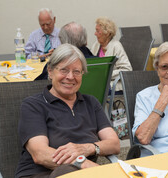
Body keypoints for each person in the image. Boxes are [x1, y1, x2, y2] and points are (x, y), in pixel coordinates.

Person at [15, 44, 120, 178]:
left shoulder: (90, 103)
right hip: (40, 174)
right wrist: (85, 165)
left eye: (77, 71)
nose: (70, 77)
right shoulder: (33, 105)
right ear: (50, 71)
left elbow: (114, 144)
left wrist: (88, 148)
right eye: (64, 70)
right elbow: (40, 154)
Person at [91, 17, 132, 93]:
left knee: (91, 89)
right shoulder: (96, 45)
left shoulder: (116, 46)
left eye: (97, 31)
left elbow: (127, 70)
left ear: (107, 33)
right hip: (98, 82)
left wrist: (106, 74)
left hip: (113, 84)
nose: (95, 33)